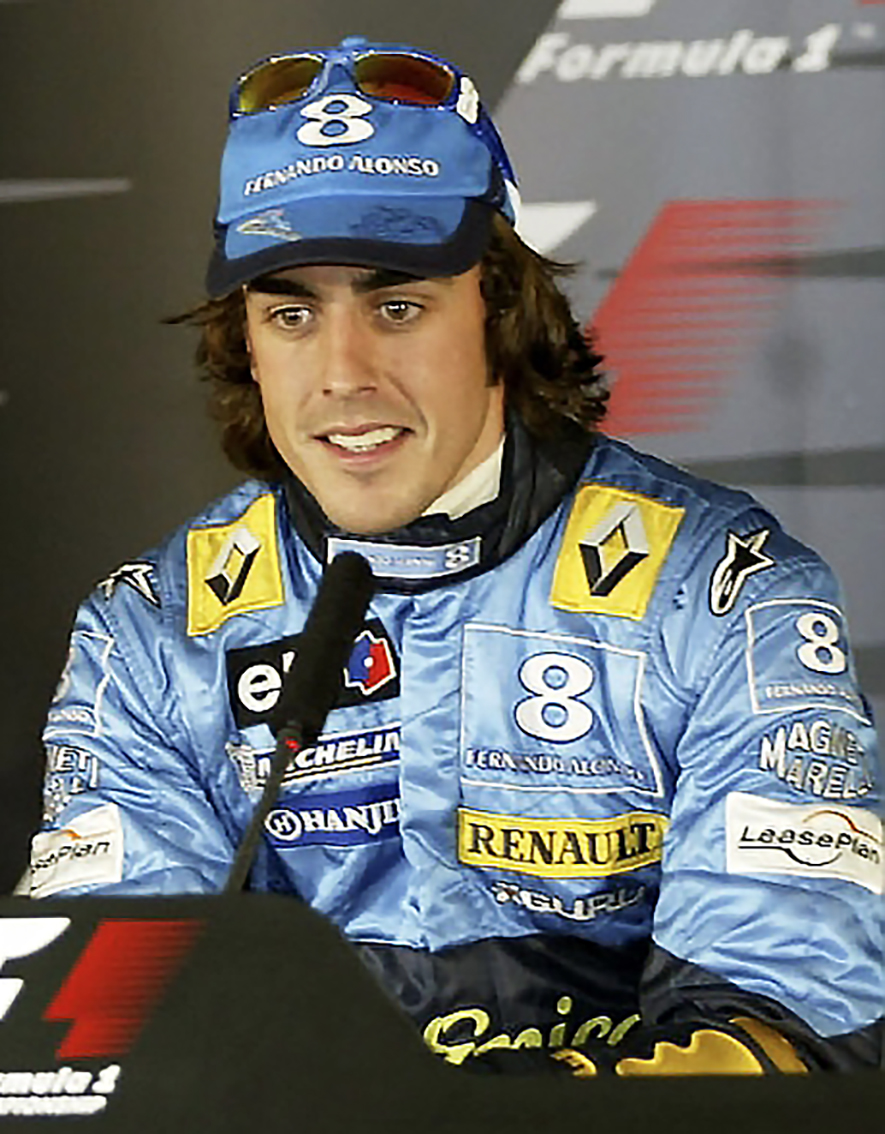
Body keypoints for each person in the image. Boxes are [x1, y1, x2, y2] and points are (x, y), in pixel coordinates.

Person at [26, 36, 882, 1075]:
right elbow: (102, 1034)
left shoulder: (722, 594)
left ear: (502, 314)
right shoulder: (152, 633)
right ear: (245, 340)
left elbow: (789, 1018)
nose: (343, 375)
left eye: (397, 307)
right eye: (291, 313)